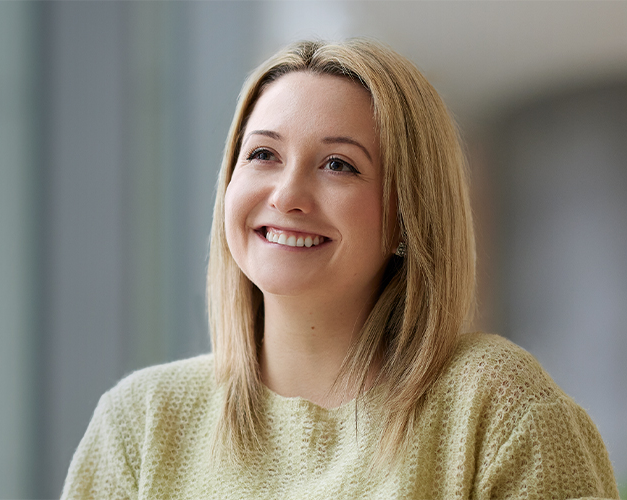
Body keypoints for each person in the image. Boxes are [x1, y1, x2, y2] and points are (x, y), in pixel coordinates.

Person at [61, 39, 617, 499]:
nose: (287, 194)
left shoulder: (497, 407)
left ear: (407, 215)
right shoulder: (140, 423)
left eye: (338, 164)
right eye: (263, 155)